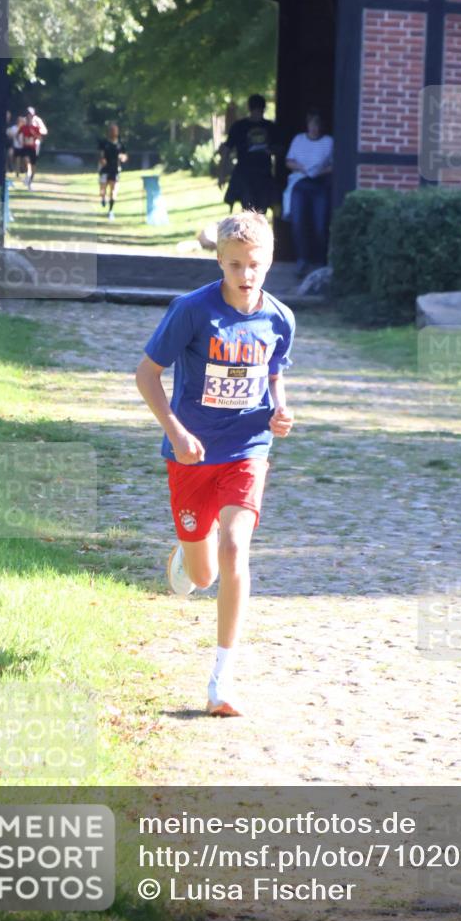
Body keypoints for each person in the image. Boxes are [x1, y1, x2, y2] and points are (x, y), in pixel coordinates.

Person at [135, 211, 295, 717]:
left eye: (255, 265)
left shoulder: (281, 318)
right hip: (190, 454)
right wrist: (176, 432)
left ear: (269, 261)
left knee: (233, 548)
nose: (246, 276)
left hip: (247, 449)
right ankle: (184, 560)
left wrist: (281, 408)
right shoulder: (192, 310)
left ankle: (222, 679)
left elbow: (273, 371)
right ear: (219, 262)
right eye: (234, 265)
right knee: (201, 575)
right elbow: (146, 375)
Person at [284, 109, 334, 277]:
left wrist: (321, 171)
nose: (315, 128)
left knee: (320, 224)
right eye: (313, 124)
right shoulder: (298, 140)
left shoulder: (329, 142)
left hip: (319, 184)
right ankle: (302, 259)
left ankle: (320, 260)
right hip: (300, 183)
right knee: (298, 222)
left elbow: (334, 165)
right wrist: (301, 168)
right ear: (308, 125)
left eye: (318, 124)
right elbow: (289, 161)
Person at [219, 95, 278, 214]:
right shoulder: (239, 127)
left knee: (262, 209)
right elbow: (227, 150)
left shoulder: (270, 127)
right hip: (244, 174)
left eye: (260, 111)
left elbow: (280, 149)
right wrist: (222, 174)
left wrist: (271, 150)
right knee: (248, 207)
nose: (258, 114)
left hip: (264, 174)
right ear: (251, 110)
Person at [98, 123, 128, 221]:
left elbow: (124, 155)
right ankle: (103, 198)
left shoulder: (120, 143)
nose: (114, 132)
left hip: (115, 169)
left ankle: (111, 210)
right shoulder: (104, 143)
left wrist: (123, 158)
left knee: (113, 190)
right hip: (105, 169)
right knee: (103, 189)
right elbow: (101, 155)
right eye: (112, 130)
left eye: (115, 130)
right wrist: (102, 160)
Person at [18, 109, 47, 190]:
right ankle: (27, 174)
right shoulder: (23, 127)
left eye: (31, 116)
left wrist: (34, 134)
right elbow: (17, 135)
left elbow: (41, 137)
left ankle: (29, 183)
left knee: (33, 168)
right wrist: (21, 142)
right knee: (27, 163)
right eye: (28, 117)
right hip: (25, 148)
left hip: (33, 148)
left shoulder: (36, 127)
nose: (29, 118)